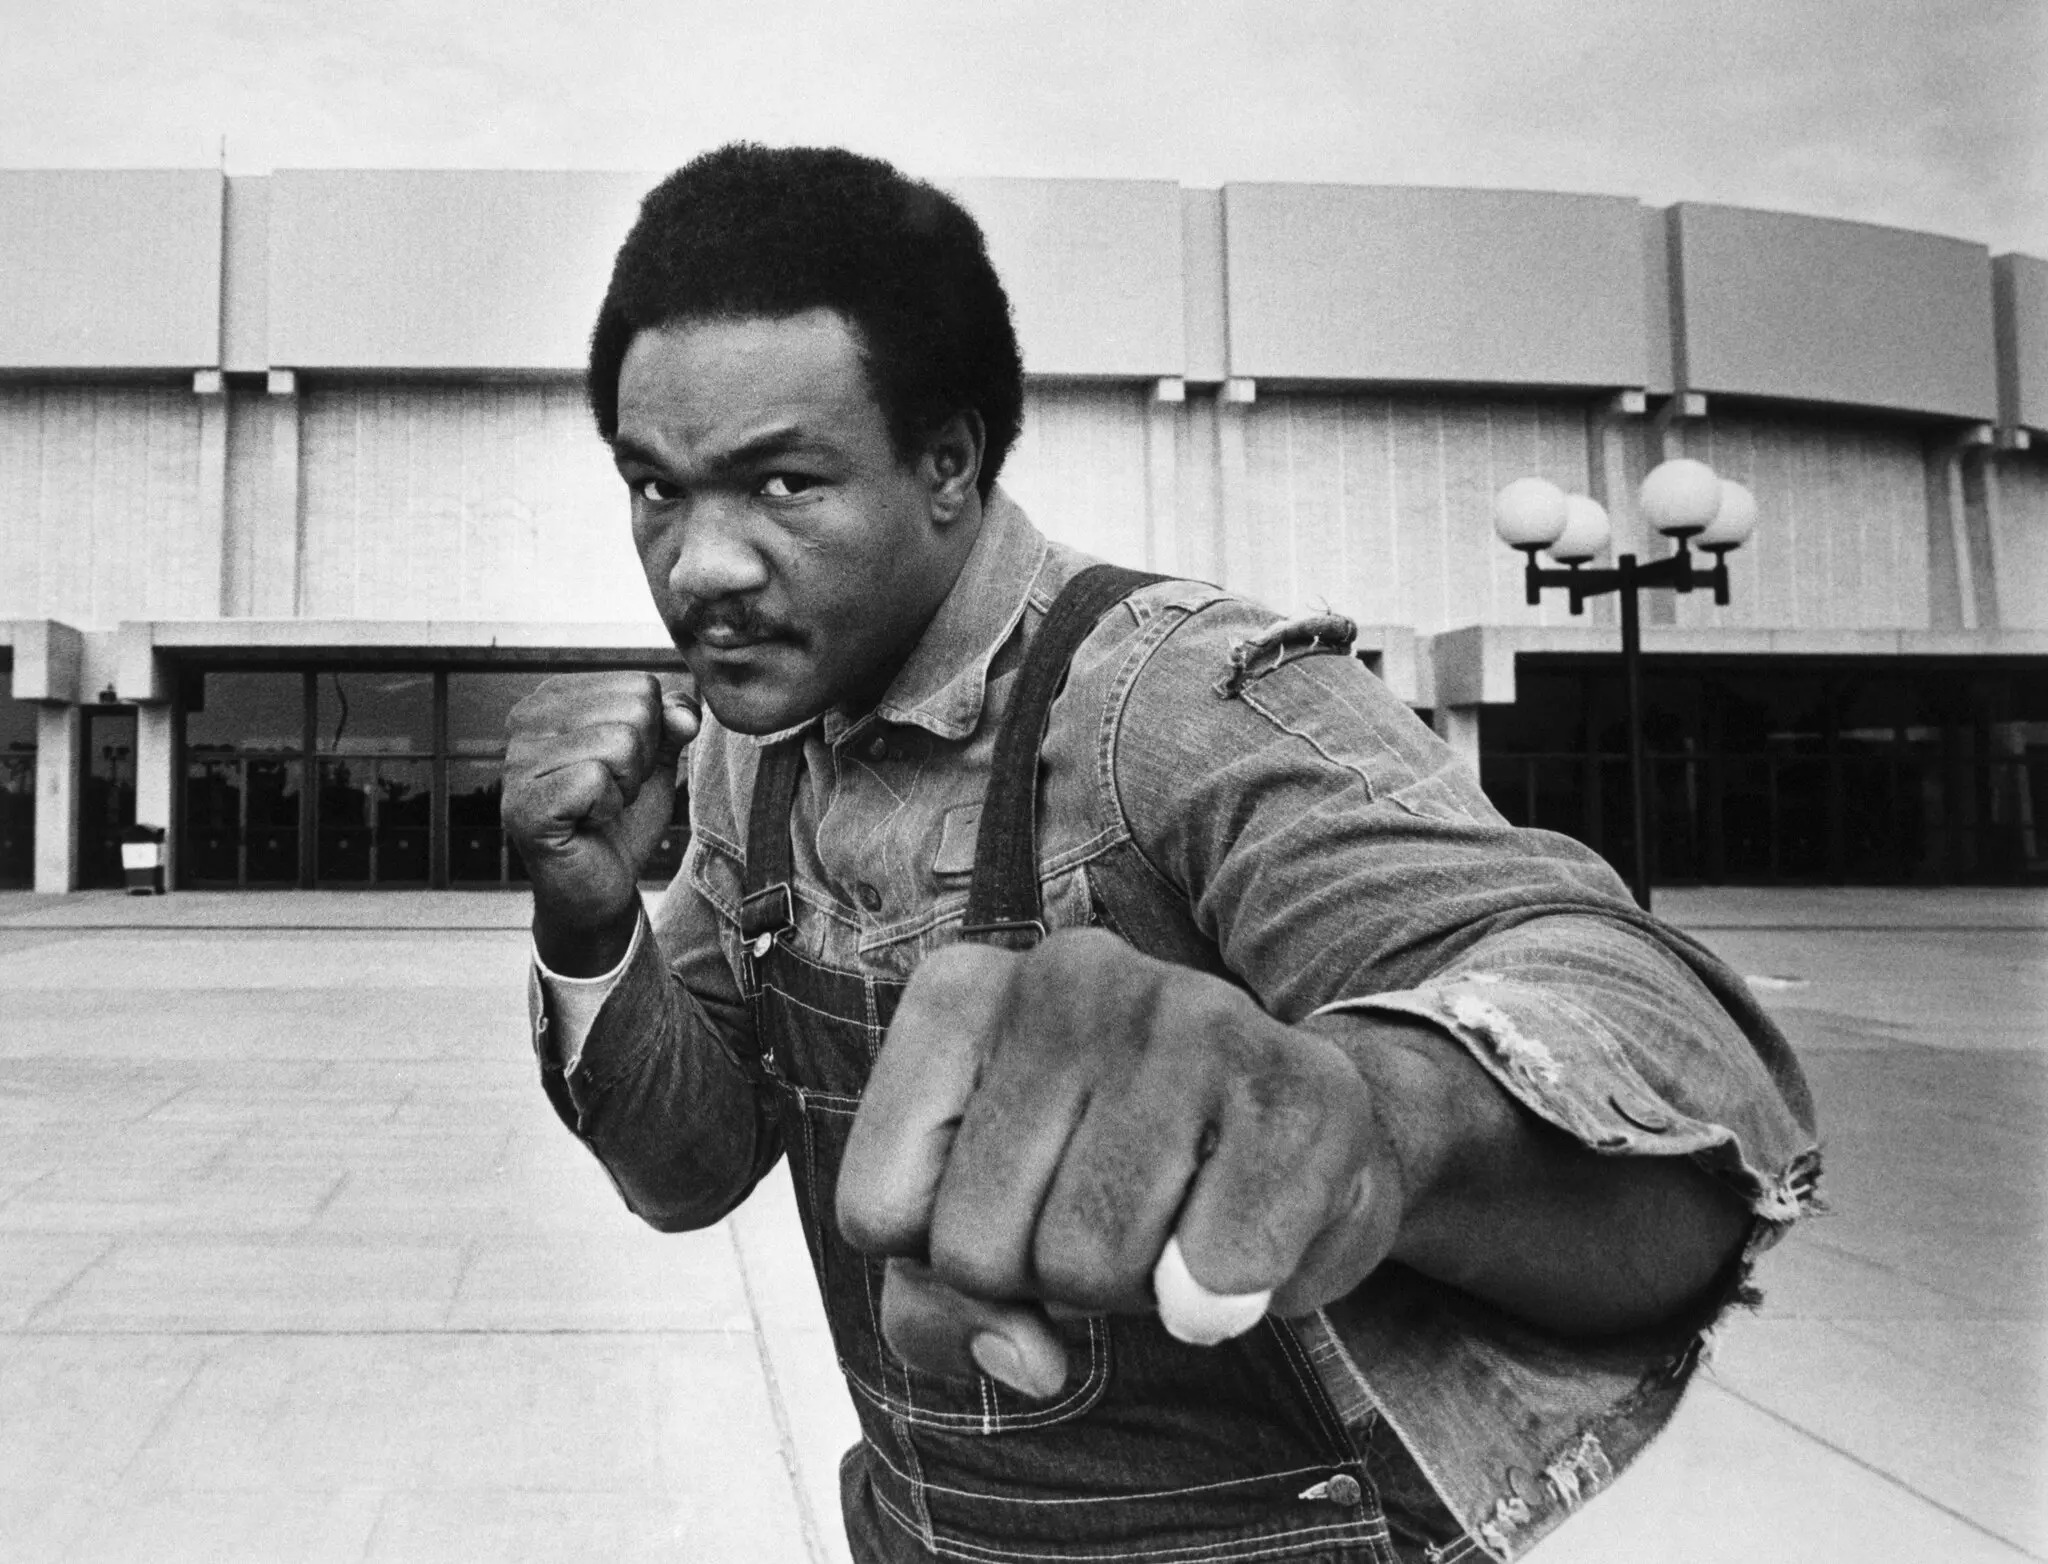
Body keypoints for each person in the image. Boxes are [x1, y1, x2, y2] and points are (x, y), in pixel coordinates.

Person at [502, 143, 1819, 1564]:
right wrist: (588, 921)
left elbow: (1673, 1058)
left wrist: (1368, 1117)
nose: (700, 564)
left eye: (781, 483)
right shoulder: (751, 748)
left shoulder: (1174, 697)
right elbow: (688, 1171)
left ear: (947, 464)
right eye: (655, 488)